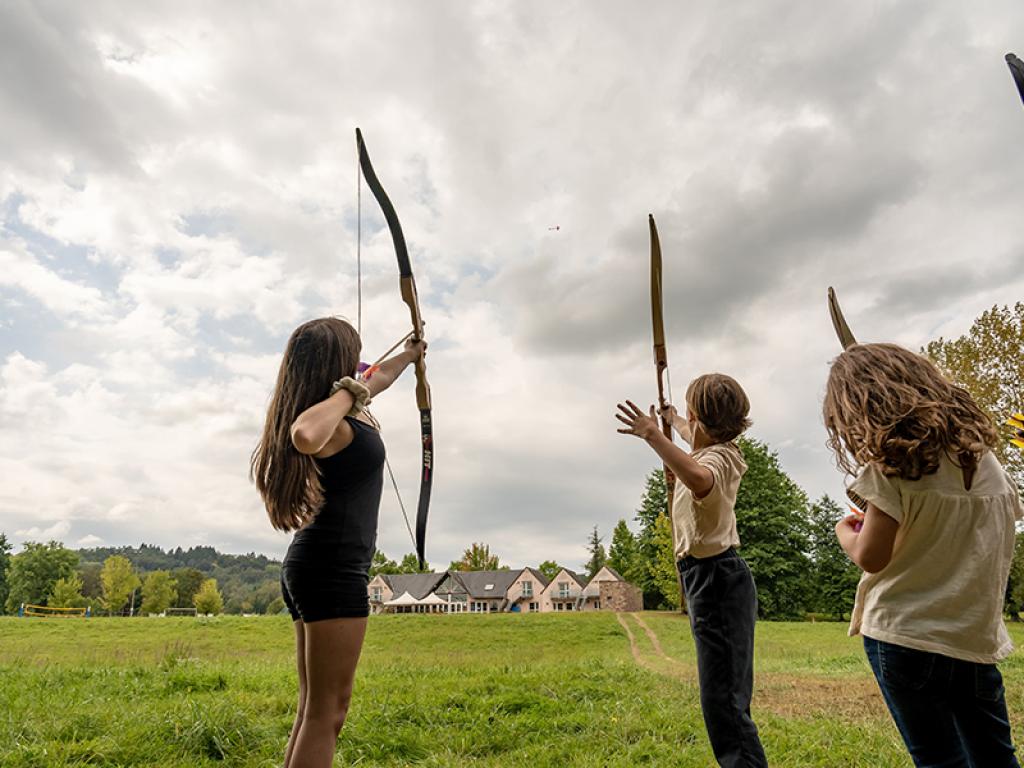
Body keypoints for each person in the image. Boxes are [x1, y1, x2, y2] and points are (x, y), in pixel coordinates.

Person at [825, 342, 1023, 768]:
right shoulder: (986, 462)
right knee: (995, 758)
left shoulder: (891, 467)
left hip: (905, 635)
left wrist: (846, 531)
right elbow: (998, 516)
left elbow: (872, 556)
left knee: (939, 760)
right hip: (973, 639)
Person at [250, 316, 425, 768]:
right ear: (335, 363)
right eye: (353, 352)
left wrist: (409, 353)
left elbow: (377, 376)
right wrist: (349, 392)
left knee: (314, 709)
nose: (360, 362)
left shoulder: (345, 401)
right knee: (328, 712)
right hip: (330, 570)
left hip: (314, 565)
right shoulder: (328, 417)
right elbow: (304, 436)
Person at [616, 373, 768, 768]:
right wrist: (672, 419)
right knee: (721, 697)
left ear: (700, 418)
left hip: (716, 580)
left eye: (687, 414)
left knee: (724, 702)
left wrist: (654, 435)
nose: (684, 423)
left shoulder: (716, 459)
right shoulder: (713, 447)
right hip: (711, 578)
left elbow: (699, 477)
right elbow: (690, 438)